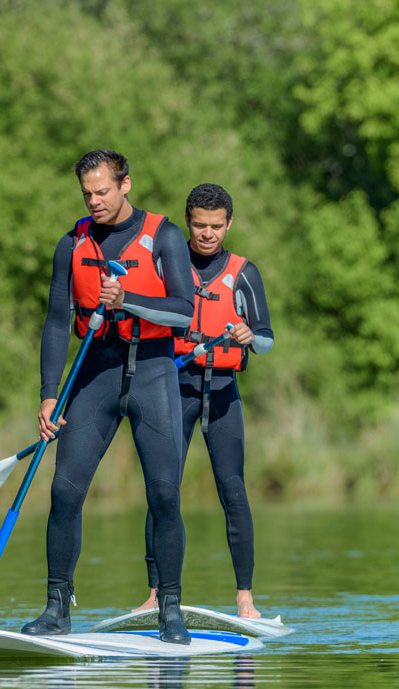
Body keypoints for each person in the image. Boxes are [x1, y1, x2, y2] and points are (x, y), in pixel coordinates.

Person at [22, 149, 195, 644]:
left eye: (103, 191)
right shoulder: (70, 243)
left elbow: (184, 311)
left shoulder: (162, 236)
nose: (95, 201)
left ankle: (171, 610)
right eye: (87, 194)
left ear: (125, 186)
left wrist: (129, 300)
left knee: (164, 493)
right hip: (94, 374)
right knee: (64, 492)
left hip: (154, 373)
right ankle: (56, 609)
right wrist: (49, 395)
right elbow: (57, 323)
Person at [133, 183, 274, 618]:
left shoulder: (244, 272)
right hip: (174, 389)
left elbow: (267, 338)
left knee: (233, 491)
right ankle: (156, 593)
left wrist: (251, 338)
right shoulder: (168, 263)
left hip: (222, 393)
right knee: (163, 489)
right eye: (199, 225)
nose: (207, 234)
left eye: (216, 226)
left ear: (228, 224)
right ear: (188, 222)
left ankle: (245, 599)